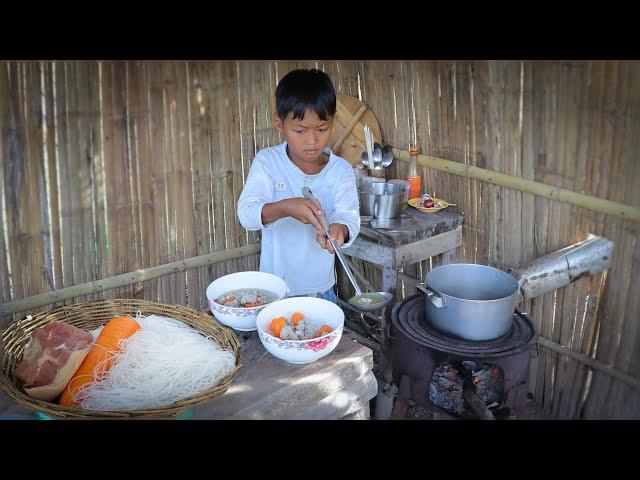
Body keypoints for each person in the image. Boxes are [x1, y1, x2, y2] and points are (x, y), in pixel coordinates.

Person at [237, 68, 360, 303]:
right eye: (300, 131)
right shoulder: (268, 162)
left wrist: (339, 230)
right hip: (273, 292)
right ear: (279, 123)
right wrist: (285, 207)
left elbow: (349, 216)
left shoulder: (340, 170)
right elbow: (246, 213)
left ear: (333, 120)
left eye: (322, 129)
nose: (312, 141)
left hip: (322, 292)